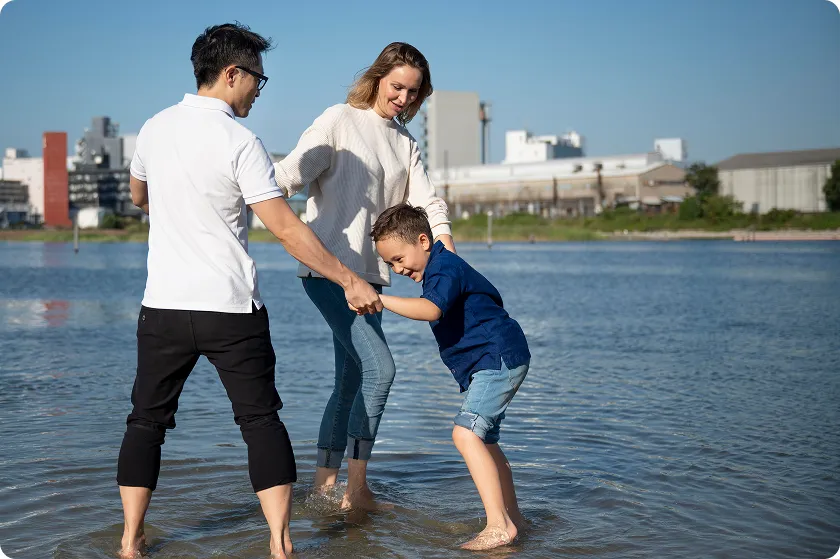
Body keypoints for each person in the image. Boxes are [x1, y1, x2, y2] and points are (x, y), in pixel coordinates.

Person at [116, 23, 381, 559]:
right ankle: (280, 546)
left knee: (146, 421)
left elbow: (138, 195)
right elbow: (286, 230)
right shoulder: (240, 141)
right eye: (258, 79)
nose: (260, 90)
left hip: (163, 306)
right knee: (259, 420)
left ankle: (129, 542)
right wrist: (349, 277)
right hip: (229, 308)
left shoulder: (153, 128)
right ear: (232, 73)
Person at [273, 42, 454, 509]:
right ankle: (357, 492)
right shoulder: (339, 120)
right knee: (381, 370)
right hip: (328, 271)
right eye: (398, 87)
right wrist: (242, 191)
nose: (404, 99)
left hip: (371, 279)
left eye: (414, 93)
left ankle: (322, 487)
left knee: (350, 381)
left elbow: (427, 203)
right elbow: (292, 172)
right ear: (377, 78)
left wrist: (448, 251)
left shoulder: (405, 143)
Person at [369, 204, 530, 551]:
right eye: (391, 265)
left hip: (497, 356)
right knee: (484, 441)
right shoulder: (439, 265)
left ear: (423, 240)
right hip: (498, 358)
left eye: (399, 259)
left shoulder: (443, 267)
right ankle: (513, 519)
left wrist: (380, 298)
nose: (397, 269)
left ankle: (498, 526)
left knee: (465, 434)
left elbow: (431, 309)